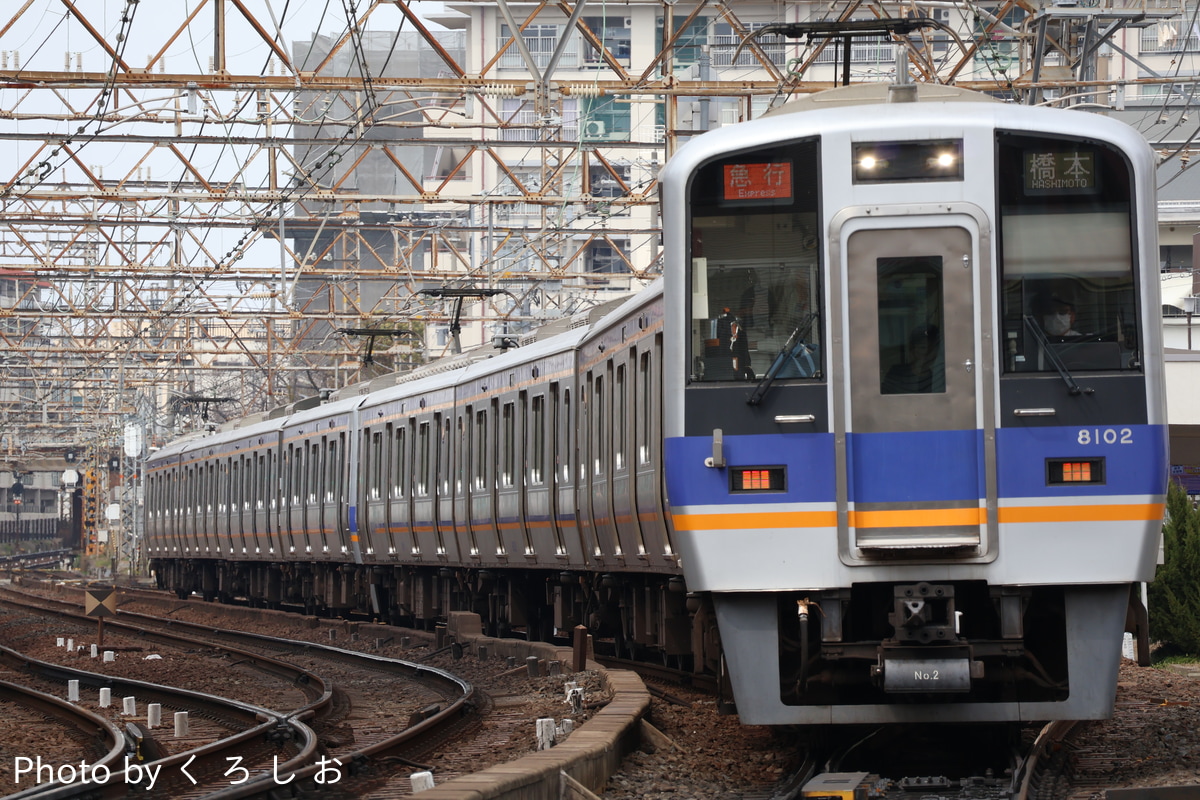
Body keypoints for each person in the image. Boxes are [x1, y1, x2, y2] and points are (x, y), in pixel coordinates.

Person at [883, 325, 941, 394]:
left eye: (933, 348)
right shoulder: (896, 373)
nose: (928, 353)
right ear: (913, 350)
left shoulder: (938, 378)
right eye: (923, 347)